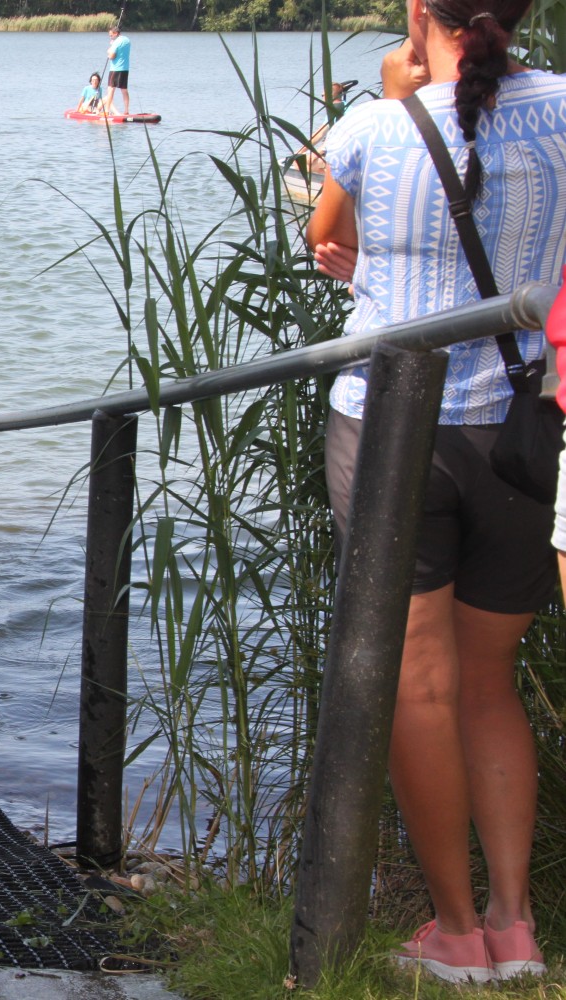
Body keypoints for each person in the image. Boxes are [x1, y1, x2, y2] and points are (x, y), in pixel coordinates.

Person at [307, 0, 566, 983]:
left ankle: (457, 933)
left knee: (419, 684)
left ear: (422, 12)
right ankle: (516, 925)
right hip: (520, 427)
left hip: (392, 427)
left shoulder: (374, 127)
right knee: (490, 680)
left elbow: (325, 238)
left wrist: (396, 87)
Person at [104, 27, 131, 115]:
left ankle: (106, 110)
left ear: (116, 33)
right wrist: (113, 44)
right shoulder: (127, 40)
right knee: (124, 89)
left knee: (110, 89)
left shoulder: (116, 42)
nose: (110, 37)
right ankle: (126, 110)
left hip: (115, 69)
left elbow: (112, 56)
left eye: (111, 35)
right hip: (125, 68)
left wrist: (109, 51)